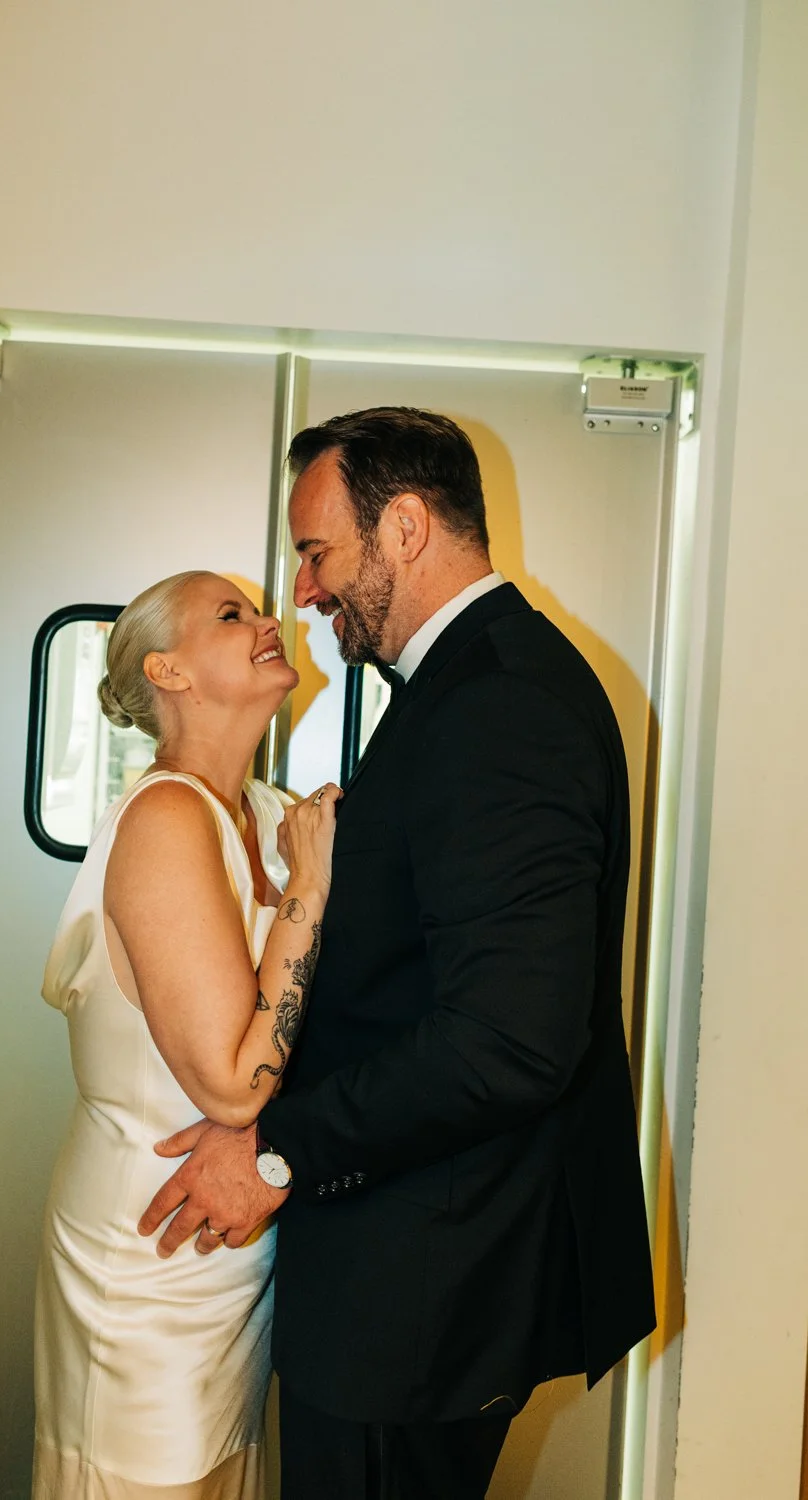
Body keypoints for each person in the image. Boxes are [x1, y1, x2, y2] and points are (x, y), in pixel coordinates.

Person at [140, 409, 657, 1500]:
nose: (308, 591)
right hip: (409, 1268)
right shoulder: (469, 683)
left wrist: (274, 1148)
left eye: (318, 552)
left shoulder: (502, 702)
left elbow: (508, 1041)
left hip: (425, 1292)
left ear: (406, 528)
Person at [32, 569, 341, 1499]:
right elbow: (237, 1084)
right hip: (148, 1258)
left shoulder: (269, 816)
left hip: (238, 1255)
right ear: (167, 670)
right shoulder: (166, 818)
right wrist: (307, 895)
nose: (269, 621)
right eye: (231, 614)